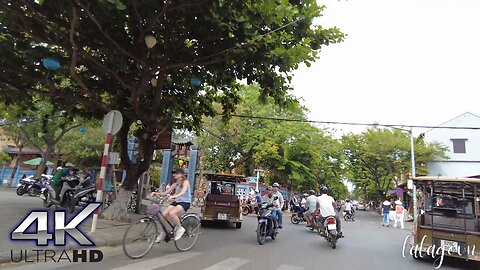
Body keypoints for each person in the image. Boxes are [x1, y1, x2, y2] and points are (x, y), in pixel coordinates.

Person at [150, 168, 191, 241]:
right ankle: (163, 232)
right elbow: (165, 193)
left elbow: (183, 192)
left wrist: (174, 196)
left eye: (176, 173)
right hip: (177, 201)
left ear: (181, 174)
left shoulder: (185, 182)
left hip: (185, 202)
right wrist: (156, 193)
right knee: (164, 214)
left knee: (172, 213)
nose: (174, 175)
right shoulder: (175, 184)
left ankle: (180, 228)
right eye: (174, 173)